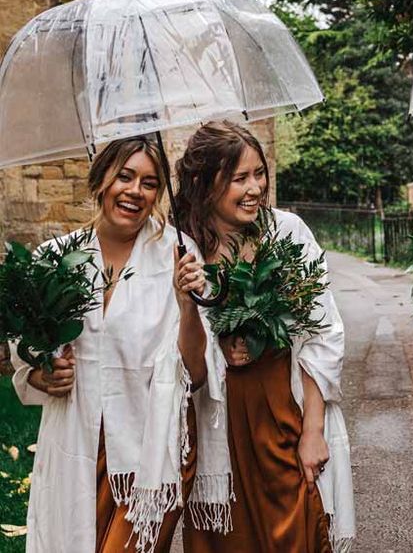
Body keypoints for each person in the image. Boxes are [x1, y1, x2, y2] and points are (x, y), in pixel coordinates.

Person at [11, 136, 232, 553]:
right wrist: (43, 375)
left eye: (149, 183)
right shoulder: (55, 258)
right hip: (78, 445)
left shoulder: (178, 255)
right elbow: (27, 362)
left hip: (150, 448)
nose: (135, 191)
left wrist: (187, 306)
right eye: (125, 177)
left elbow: (198, 375)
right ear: (100, 181)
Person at [176, 121, 355, 553]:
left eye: (259, 174)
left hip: (284, 410)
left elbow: (323, 333)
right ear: (205, 184)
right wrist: (200, 319)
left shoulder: (287, 233)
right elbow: (185, 367)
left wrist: (313, 430)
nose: (255, 188)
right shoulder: (183, 249)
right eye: (239, 178)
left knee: (296, 531)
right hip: (221, 420)